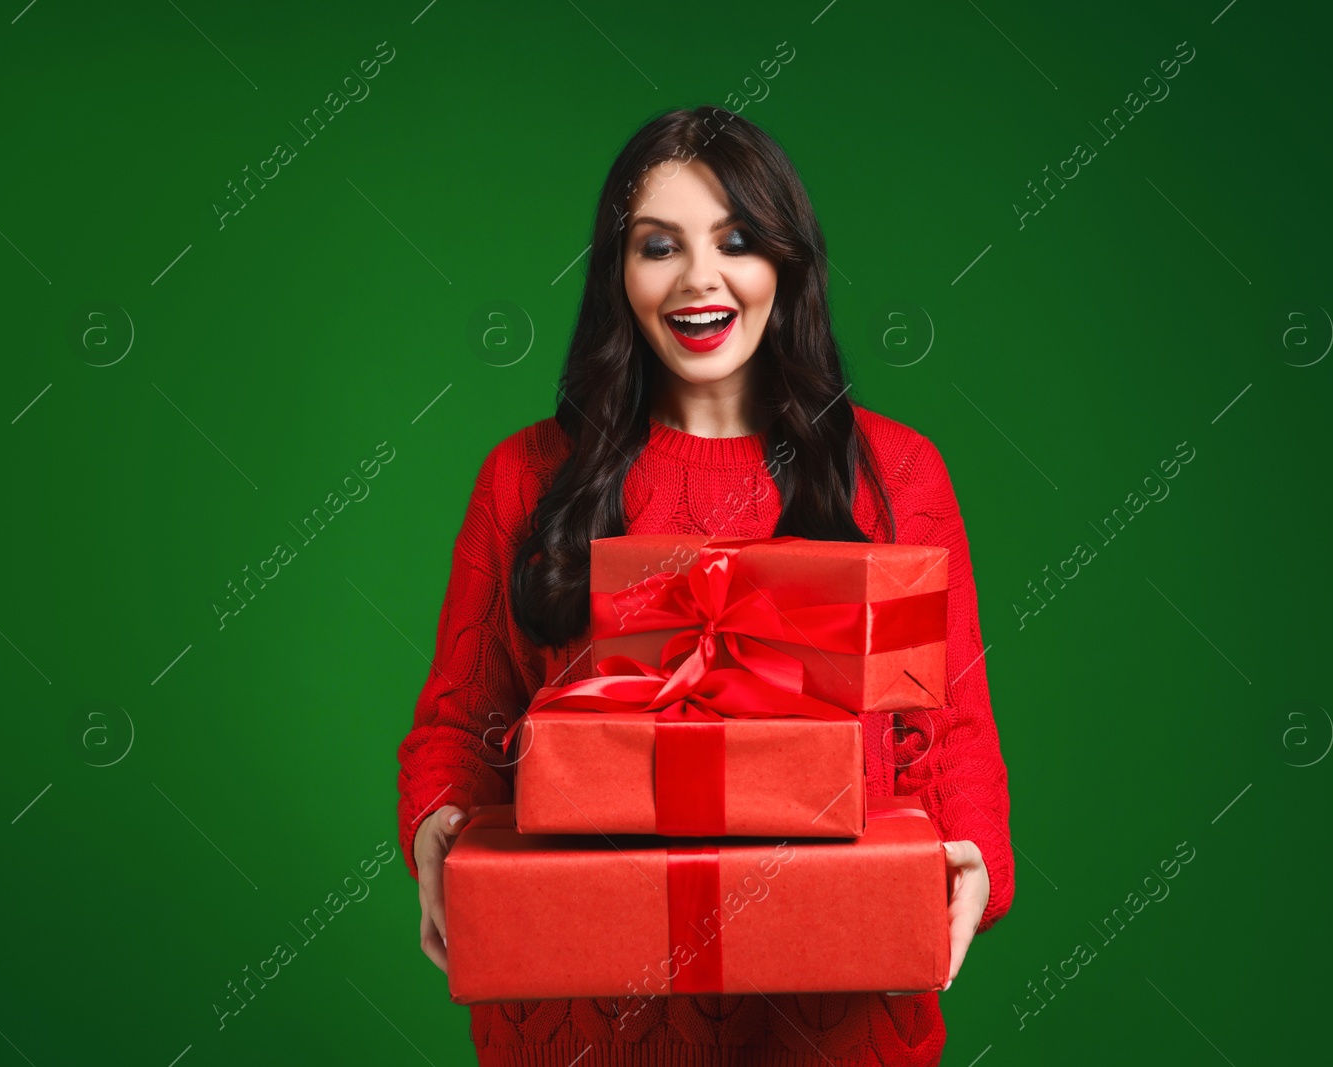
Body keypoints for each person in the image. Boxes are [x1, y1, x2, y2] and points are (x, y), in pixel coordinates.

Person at [396, 104, 1014, 1067]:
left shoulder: (897, 475)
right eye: (658, 246)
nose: (700, 279)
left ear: (787, 263)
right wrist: (439, 831)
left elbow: (951, 732)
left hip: (834, 1011)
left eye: (736, 240)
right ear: (618, 277)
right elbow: (465, 724)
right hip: (583, 1019)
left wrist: (970, 859)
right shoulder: (525, 477)